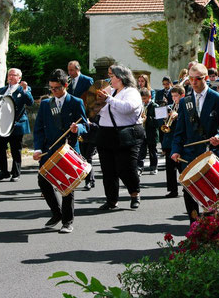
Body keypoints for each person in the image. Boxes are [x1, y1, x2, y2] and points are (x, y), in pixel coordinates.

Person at [171, 63, 219, 223]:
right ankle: (194, 229)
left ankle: (215, 230)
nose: (193, 82)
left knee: (214, 194)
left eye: (197, 79)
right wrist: (175, 150)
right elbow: (180, 132)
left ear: (205, 78)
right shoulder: (186, 102)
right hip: (190, 156)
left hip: (212, 155)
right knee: (189, 192)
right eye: (190, 79)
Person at [33, 69, 87, 233]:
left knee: (67, 185)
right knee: (43, 181)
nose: (53, 91)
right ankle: (56, 213)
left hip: (68, 149)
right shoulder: (45, 104)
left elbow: (86, 125)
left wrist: (78, 128)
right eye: (51, 88)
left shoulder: (76, 102)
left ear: (65, 85)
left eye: (56, 88)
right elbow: (38, 129)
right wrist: (37, 148)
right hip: (49, 149)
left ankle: (67, 221)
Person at [96, 65, 145, 210]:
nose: (109, 79)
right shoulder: (111, 91)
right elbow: (100, 111)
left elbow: (128, 108)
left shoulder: (131, 92)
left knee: (126, 168)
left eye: (112, 76)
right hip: (106, 134)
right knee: (108, 170)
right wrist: (96, 103)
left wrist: (108, 99)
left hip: (125, 134)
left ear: (121, 77)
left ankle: (134, 194)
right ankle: (111, 200)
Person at [0, 68, 34, 182]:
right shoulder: (2, 90)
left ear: (19, 78)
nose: (10, 77)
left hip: (17, 124)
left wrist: (25, 90)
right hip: (3, 125)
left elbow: (30, 102)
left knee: (16, 149)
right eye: (9, 75)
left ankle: (16, 173)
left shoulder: (24, 89)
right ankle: (3, 171)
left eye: (13, 75)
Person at [67, 60, 95, 189]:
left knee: (86, 153)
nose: (70, 72)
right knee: (74, 153)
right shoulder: (68, 81)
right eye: (69, 70)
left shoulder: (87, 80)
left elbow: (91, 100)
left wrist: (88, 118)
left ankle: (89, 180)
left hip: (84, 118)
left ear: (78, 69)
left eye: (72, 70)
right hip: (72, 119)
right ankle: (76, 178)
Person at [161, 85, 185, 198]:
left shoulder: (185, 106)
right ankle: (172, 190)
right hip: (169, 141)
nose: (174, 98)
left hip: (180, 141)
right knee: (170, 168)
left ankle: (187, 187)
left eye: (176, 96)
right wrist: (165, 118)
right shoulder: (170, 107)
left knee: (182, 167)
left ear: (182, 95)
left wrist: (178, 116)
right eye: (172, 96)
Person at [138, 87, 159, 175]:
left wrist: (147, 119)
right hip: (143, 132)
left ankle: (153, 167)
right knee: (141, 151)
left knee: (153, 151)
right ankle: (139, 168)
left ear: (149, 97)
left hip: (152, 133)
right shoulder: (140, 106)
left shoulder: (155, 106)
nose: (143, 101)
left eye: (145, 98)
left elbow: (157, 121)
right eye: (141, 99)